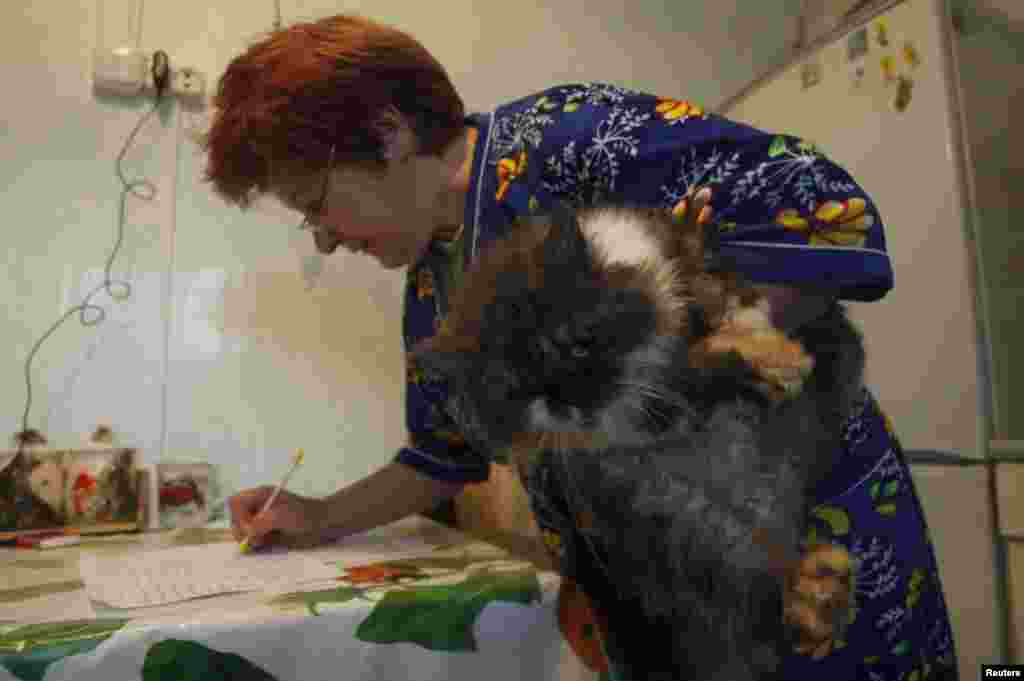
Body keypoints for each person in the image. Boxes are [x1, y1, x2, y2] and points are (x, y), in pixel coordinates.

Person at [207, 14, 958, 680]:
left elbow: (833, 217)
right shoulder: (436, 282)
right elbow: (444, 454)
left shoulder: (576, 140)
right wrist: (317, 516)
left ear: (389, 132)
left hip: (811, 553)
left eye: (316, 204)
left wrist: (669, 366)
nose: (327, 237)